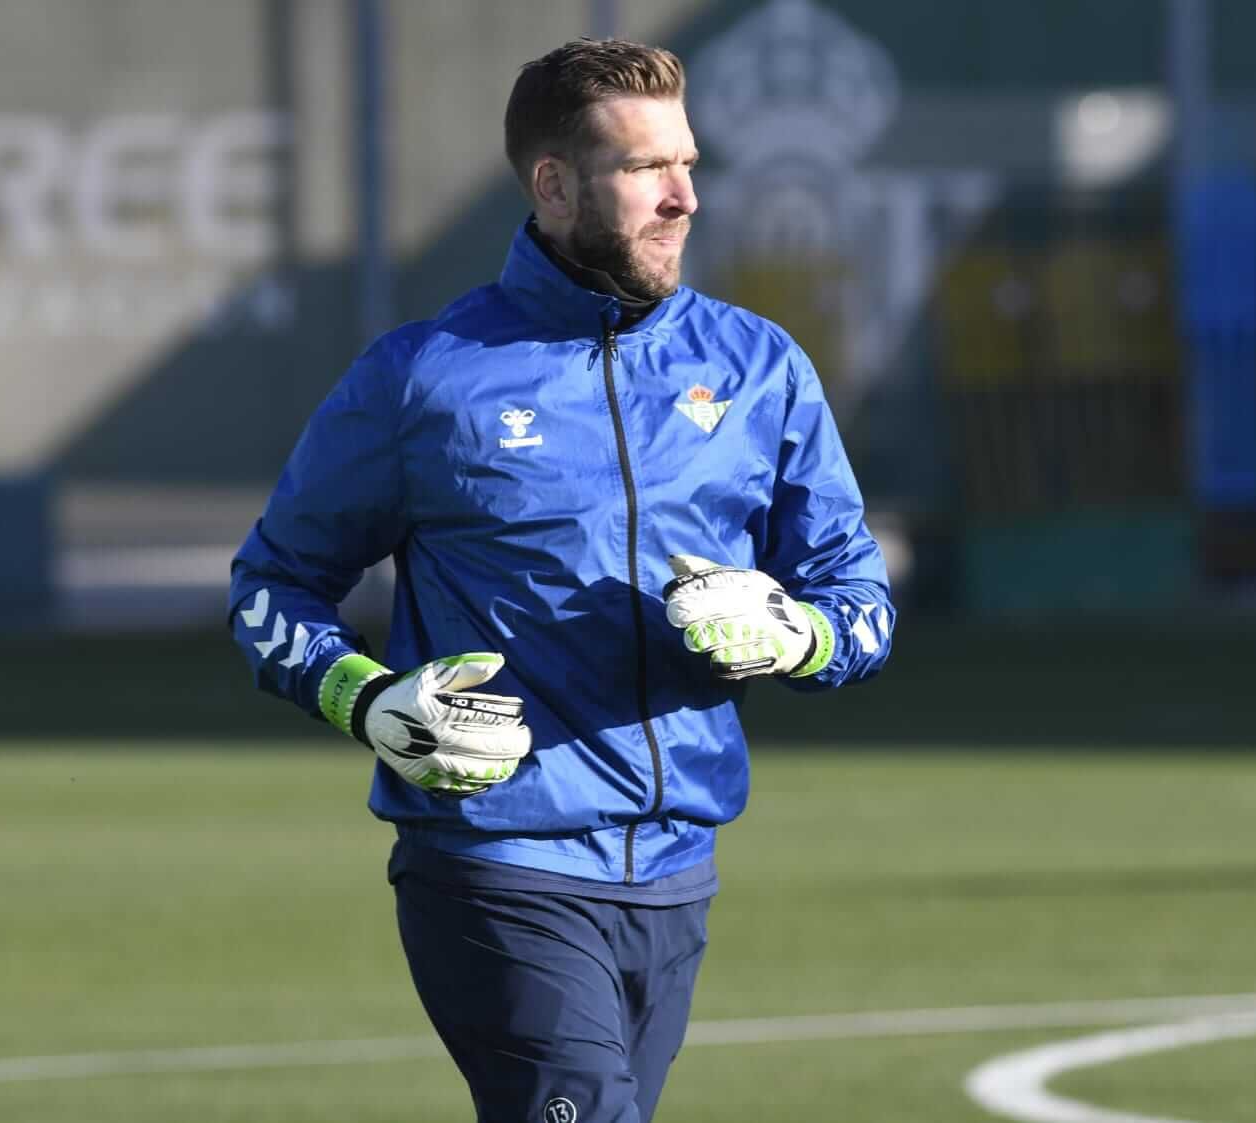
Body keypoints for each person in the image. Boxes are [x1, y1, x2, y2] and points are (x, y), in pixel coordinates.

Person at [228, 37, 893, 1123]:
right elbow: (271, 585)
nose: (683, 198)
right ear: (552, 184)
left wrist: (796, 637)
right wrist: (363, 696)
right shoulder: (420, 378)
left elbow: (857, 600)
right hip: (494, 864)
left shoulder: (759, 366)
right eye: (644, 170)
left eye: (688, 163)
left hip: (678, 871)